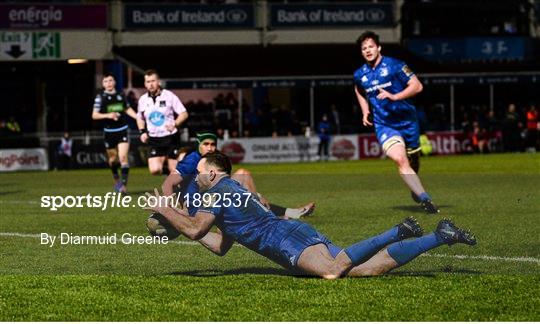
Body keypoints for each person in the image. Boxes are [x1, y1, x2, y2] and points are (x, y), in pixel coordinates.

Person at [144, 151, 477, 279]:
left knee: (333, 272)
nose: (196, 177)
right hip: (294, 233)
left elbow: (194, 230)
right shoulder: (235, 191)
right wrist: (181, 219)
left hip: (286, 241)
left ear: (213, 175)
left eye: (200, 173)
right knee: (363, 270)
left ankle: (398, 231)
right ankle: (439, 236)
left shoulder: (215, 192)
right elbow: (218, 245)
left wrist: (166, 210)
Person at [353, 31, 439, 213]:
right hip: (384, 124)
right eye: (364, 48)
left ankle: (415, 186)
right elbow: (358, 89)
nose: (368, 50)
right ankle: (426, 199)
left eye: (370, 46)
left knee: (413, 162)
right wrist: (365, 110)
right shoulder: (360, 74)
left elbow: (417, 85)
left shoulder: (395, 65)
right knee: (400, 159)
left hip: (408, 122)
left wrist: (394, 96)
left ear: (378, 48)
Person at [161, 132, 315, 220]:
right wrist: (172, 210)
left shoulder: (215, 160)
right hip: (199, 205)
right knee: (248, 195)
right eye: (205, 144)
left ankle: (285, 213)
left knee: (244, 176)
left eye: (212, 144)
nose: (210, 147)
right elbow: (167, 184)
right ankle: (277, 214)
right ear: (199, 145)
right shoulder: (192, 160)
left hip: (214, 198)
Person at [92, 72, 138, 193]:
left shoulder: (121, 95)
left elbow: (127, 109)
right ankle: (116, 180)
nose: (109, 83)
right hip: (109, 132)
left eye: (111, 80)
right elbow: (94, 115)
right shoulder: (100, 97)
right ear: (103, 84)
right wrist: (109, 115)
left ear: (115, 82)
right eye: (106, 81)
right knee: (113, 160)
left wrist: (138, 117)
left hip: (122, 130)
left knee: (123, 157)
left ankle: (123, 186)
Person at [137, 69, 189, 175]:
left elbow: (184, 113)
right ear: (145, 84)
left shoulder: (169, 96)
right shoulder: (142, 100)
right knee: (155, 170)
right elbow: (140, 117)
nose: (151, 84)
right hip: (154, 139)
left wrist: (175, 123)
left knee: (174, 172)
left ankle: (173, 172)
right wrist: (142, 132)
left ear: (158, 82)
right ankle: (166, 167)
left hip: (170, 137)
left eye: (153, 81)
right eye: (148, 82)